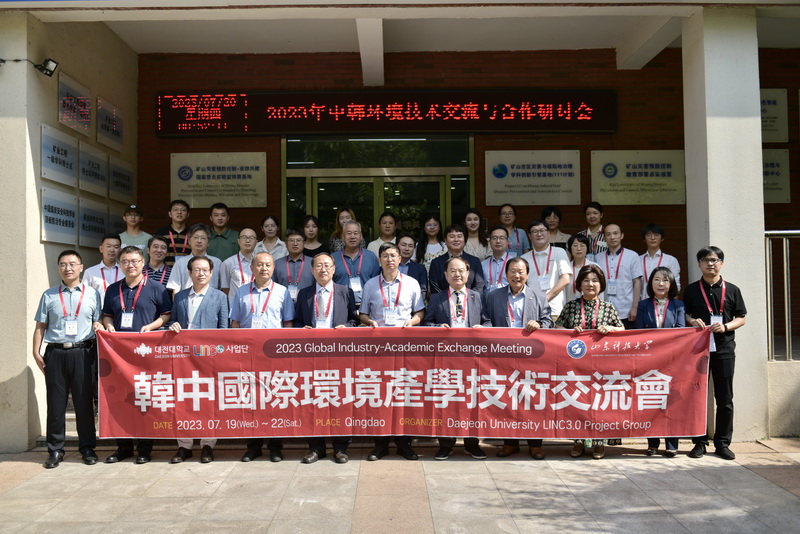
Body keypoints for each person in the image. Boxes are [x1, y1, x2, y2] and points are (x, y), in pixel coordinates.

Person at [32, 250, 103, 468]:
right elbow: (40, 326)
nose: (68, 268)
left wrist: (99, 325)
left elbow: (98, 321)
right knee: (56, 404)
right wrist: (36, 352)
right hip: (55, 353)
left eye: (72, 264)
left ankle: (87, 448)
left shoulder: (93, 294)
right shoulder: (49, 295)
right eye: (63, 264)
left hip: (83, 353)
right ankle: (55, 450)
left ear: (81, 267)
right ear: (58, 268)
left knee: (84, 403)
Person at [102, 246, 172, 464]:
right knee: (121, 400)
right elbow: (107, 315)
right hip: (119, 354)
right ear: (120, 265)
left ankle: (144, 448)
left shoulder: (157, 288)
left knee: (145, 400)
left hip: (146, 353)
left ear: (143, 263)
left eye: (134, 261)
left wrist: (151, 327)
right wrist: (109, 326)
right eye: (125, 261)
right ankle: (123, 447)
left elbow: (166, 315)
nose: (130, 265)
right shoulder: (113, 289)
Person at [482, 257, 553, 460]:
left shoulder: (538, 296)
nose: (516, 275)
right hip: (503, 357)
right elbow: (486, 319)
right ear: (506, 274)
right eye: (512, 271)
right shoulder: (493, 296)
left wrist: (539, 324)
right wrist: (486, 329)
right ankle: (509, 443)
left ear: (527, 275)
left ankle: (535, 445)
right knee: (506, 400)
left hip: (532, 357)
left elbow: (548, 321)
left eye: (521, 271)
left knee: (533, 400)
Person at [360, 243, 425, 460]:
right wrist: (369, 322)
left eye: (393, 255)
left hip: (405, 347)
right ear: (379, 260)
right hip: (378, 348)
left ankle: (404, 443)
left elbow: (420, 312)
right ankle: (381, 444)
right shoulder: (370, 284)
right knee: (380, 394)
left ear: (400, 259)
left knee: (404, 394)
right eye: (385, 256)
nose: (389, 259)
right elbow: (363, 314)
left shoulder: (412, 283)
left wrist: (412, 322)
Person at [294, 253, 359, 464]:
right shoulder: (304, 293)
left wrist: (346, 327)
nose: (323, 269)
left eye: (327, 266)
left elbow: (354, 321)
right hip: (312, 355)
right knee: (313, 400)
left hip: (338, 354)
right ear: (312, 270)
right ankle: (316, 448)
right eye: (319, 266)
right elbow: (296, 321)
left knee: (340, 400)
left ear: (333, 269)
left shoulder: (345, 292)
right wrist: (301, 330)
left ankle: (340, 448)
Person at [229, 251, 294, 462]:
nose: (264, 268)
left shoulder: (282, 292)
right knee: (251, 401)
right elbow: (235, 323)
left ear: (273, 268)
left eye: (268, 265)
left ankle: (275, 446)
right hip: (249, 355)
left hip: (274, 355)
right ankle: (253, 446)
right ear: (252, 268)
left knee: (275, 400)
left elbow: (288, 324)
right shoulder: (241, 292)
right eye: (259, 264)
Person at [683, 246, 747, 461]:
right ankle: (699, 442)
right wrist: (692, 320)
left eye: (714, 260)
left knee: (725, 399)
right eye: (705, 260)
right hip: (698, 351)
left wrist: (726, 326)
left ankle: (722, 443)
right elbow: (685, 314)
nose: (710, 263)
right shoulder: (691, 290)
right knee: (697, 396)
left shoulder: (733, 290)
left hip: (724, 349)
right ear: (699, 264)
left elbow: (742, 317)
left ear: (721, 263)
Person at [556, 264, 624, 459]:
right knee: (578, 402)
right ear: (579, 284)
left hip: (602, 367)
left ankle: (599, 444)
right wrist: (570, 332)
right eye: (586, 280)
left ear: (601, 284)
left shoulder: (608, 308)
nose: (590, 284)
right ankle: (578, 442)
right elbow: (557, 328)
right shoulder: (571, 306)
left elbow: (622, 329)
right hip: (576, 366)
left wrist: (610, 329)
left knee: (599, 403)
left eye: (594, 280)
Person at [422, 256, 487, 460]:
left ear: (468, 274)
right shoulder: (437, 298)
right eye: (452, 271)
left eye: (461, 271)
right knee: (446, 400)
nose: (457, 274)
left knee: (472, 401)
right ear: (445, 275)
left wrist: (482, 328)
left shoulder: (477, 297)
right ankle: (446, 444)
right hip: (446, 359)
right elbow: (426, 324)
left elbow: (488, 321)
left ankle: (472, 443)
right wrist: (436, 327)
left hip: (472, 358)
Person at [167, 256, 229, 464]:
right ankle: (184, 446)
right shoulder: (180, 297)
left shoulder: (219, 297)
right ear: (189, 273)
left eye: (205, 270)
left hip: (209, 358)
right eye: (196, 270)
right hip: (184, 358)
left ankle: (207, 444)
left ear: (211, 273)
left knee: (208, 401)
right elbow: (174, 321)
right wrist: (173, 325)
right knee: (184, 400)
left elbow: (223, 329)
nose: (201, 273)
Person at [635, 266, 685, 458]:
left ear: (671, 284)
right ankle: (653, 443)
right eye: (656, 279)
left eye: (665, 280)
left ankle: (672, 443)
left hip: (672, 361)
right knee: (652, 400)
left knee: (671, 402)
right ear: (651, 283)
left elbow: (680, 331)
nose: (661, 284)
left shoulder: (678, 305)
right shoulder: (643, 305)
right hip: (650, 360)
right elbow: (639, 332)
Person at [520, 220, 572, 320]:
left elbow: (565, 279)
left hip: (555, 310)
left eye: (542, 230)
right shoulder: (524, 258)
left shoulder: (559, 252)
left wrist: (545, 298)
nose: (539, 234)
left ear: (548, 233)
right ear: (530, 236)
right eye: (535, 231)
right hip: (532, 310)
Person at [595, 223, 642, 329]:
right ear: (604, 238)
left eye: (615, 233)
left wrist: (635, 307)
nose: (612, 237)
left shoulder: (632, 256)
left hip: (626, 310)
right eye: (608, 234)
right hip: (603, 311)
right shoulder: (598, 258)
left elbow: (637, 282)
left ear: (622, 235)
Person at [332, 221, 381, 306]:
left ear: (361, 236)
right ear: (343, 236)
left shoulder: (371, 257)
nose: (352, 236)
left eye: (356, 233)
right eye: (349, 233)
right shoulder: (333, 258)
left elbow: (377, 283)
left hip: (366, 306)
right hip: (341, 305)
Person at [428, 224, 485, 295]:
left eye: (459, 236)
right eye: (452, 236)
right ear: (445, 240)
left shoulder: (475, 261)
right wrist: (451, 299)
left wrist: (464, 299)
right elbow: (435, 288)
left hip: (470, 300)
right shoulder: (436, 263)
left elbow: (479, 285)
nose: (456, 239)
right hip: (444, 301)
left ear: (465, 240)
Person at [166, 224, 222, 295]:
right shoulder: (180, 263)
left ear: (208, 243)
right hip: (186, 299)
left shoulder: (217, 263)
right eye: (196, 237)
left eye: (203, 238)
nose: (199, 241)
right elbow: (175, 289)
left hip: (211, 300)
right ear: (189, 241)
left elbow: (222, 288)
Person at [639, 223, 682, 300]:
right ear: (644, 239)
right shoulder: (638, 260)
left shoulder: (671, 260)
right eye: (649, 235)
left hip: (664, 303)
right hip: (642, 302)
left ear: (662, 238)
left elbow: (675, 286)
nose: (652, 238)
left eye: (656, 235)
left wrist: (672, 305)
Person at [219, 226, 258, 307]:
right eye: (244, 237)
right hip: (236, 307)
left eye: (251, 238)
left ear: (256, 242)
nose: (248, 240)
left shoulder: (261, 263)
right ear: (238, 241)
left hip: (257, 306)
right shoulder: (228, 263)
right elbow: (226, 289)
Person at [272, 229, 314, 302]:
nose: (295, 243)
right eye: (291, 240)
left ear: (304, 243)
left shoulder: (313, 263)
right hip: (283, 303)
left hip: (307, 304)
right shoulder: (277, 264)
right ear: (286, 244)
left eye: (298, 240)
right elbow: (272, 287)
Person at [83, 233, 121, 303]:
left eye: (116, 247)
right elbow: (84, 295)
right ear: (101, 249)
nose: (112, 250)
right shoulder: (90, 272)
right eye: (108, 246)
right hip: (98, 309)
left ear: (120, 250)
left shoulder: (125, 271)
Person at [153, 199, 191, 266]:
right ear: (170, 214)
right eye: (175, 210)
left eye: (183, 210)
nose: (179, 212)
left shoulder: (193, 233)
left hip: (187, 270)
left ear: (188, 214)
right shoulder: (161, 233)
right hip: (165, 271)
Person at [481, 225, 515, 295]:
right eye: (494, 238)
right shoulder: (483, 264)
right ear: (489, 241)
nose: (498, 241)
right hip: (487, 300)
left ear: (507, 241)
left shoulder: (514, 263)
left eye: (502, 238)